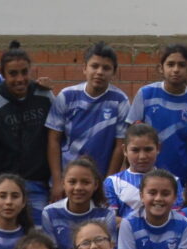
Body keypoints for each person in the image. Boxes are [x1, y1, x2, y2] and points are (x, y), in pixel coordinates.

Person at [0, 43, 54, 210]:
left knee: (37, 235)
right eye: (13, 74)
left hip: (38, 186)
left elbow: (56, 139)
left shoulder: (45, 97)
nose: (19, 79)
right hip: (3, 188)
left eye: (24, 72)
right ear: (3, 75)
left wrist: (55, 181)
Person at [47, 43, 131, 187]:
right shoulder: (66, 96)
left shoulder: (120, 101)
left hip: (99, 180)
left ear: (114, 72)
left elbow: (119, 146)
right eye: (95, 66)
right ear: (85, 68)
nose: (99, 72)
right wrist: (57, 181)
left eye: (106, 68)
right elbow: (53, 140)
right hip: (68, 179)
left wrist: (108, 184)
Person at [133, 43, 187, 186]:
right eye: (170, 64)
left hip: (179, 179)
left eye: (181, 65)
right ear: (161, 68)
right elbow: (131, 139)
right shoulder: (145, 94)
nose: (176, 70)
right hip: (144, 178)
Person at [40, 158, 110, 249]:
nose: (78, 188)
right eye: (72, 182)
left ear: (95, 185)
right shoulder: (49, 213)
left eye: (85, 182)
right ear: (63, 183)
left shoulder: (106, 215)